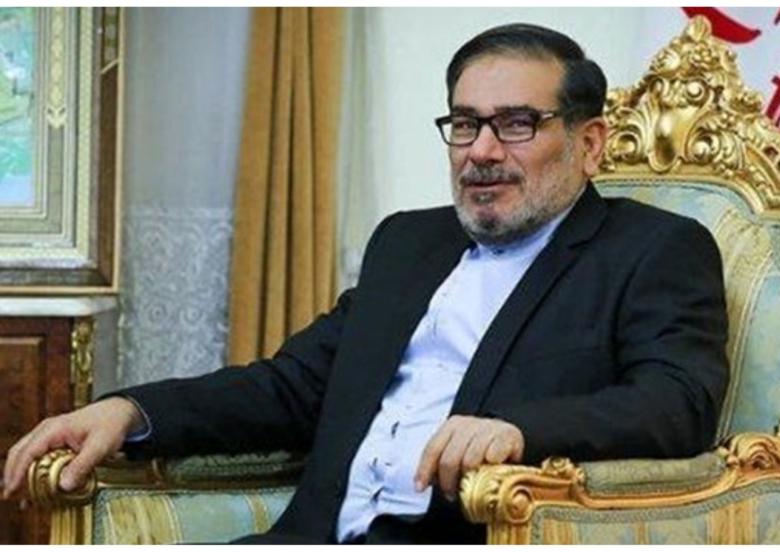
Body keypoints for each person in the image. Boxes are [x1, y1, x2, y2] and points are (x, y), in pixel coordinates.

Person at [2, 23, 729, 544]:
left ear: (588, 143)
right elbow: (293, 387)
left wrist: (519, 433)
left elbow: (678, 403)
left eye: (515, 125)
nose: (480, 151)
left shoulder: (652, 250)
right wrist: (132, 411)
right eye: (465, 124)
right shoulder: (409, 243)